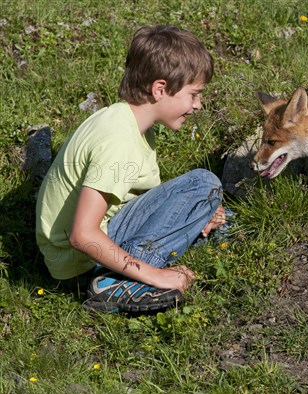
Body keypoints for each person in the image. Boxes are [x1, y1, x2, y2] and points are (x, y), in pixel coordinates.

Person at [35, 25, 227, 313]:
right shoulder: (118, 141)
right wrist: (157, 276)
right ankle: (117, 283)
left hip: (88, 247)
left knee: (217, 214)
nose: (198, 105)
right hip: (81, 261)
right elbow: (82, 234)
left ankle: (144, 263)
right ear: (160, 89)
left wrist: (196, 215)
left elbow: (140, 202)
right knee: (203, 183)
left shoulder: (131, 124)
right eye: (194, 94)